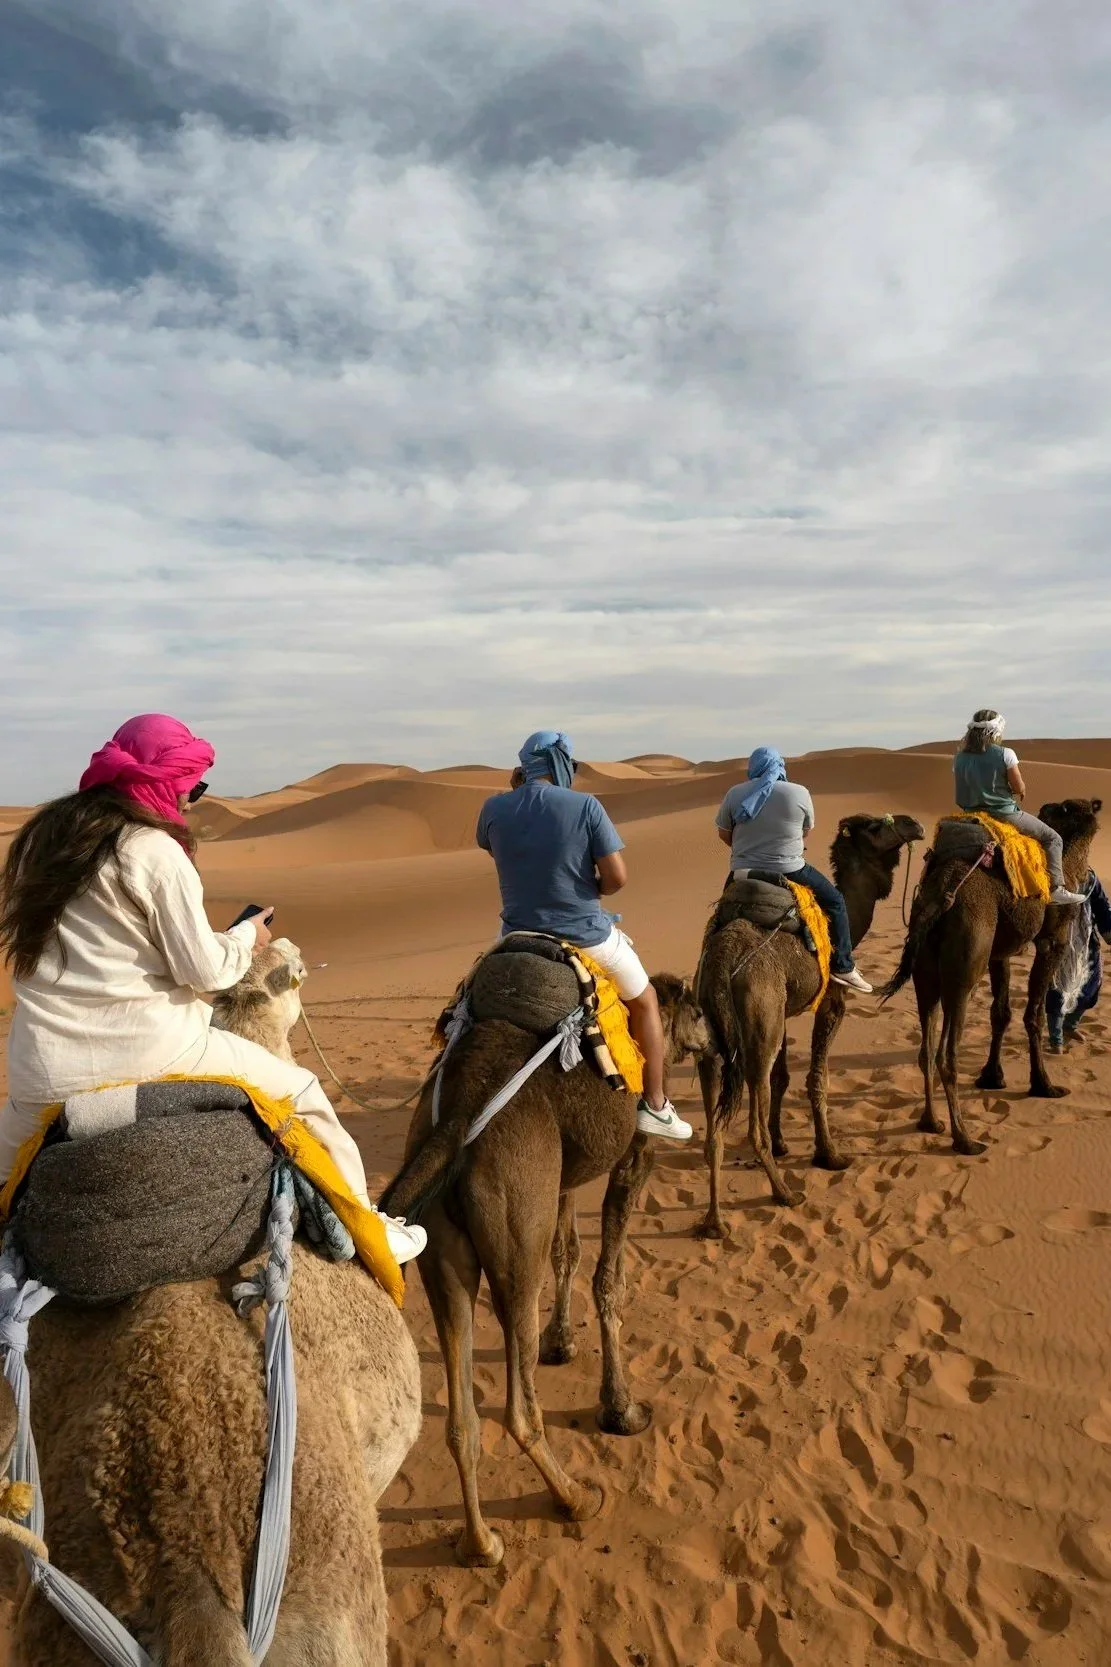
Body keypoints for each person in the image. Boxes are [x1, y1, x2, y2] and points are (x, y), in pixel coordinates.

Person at [0, 714, 425, 1264]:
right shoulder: (151, 850)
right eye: (192, 786)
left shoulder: (42, 843)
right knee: (304, 1095)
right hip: (153, 1051)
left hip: (44, 1070)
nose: (192, 800)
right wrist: (246, 935)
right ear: (167, 780)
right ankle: (370, 1231)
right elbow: (204, 972)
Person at [476, 730, 693, 1140]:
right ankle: (657, 1105)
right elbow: (618, 878)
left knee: (469, 1001)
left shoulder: (493, 808)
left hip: (515, 933)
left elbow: (499, 851)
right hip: (584, 934)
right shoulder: (585, 806)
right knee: (646, 1001)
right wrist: (592, 885)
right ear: (562, 765)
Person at [715, 746, 872, 994]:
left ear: (753, 768)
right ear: (780, 766)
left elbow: (724, 833)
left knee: (718, 918)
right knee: (836, 902)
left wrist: (749, 848)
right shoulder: (799, 792)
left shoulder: (735, 794)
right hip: (790, 869)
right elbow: (805, 831)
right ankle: (843, 965)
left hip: (742, 871)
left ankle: (707, 966)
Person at [952, 710, 1085, 906]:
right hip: (1003, 814)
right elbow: (1018, 786)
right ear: (996, 731)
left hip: (969, 815)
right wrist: (1019, 790)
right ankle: (1057, 889)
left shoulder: (959, 758)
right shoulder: (1006, 754)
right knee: (1053, 838)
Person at [1046, 868, 1111, 1050]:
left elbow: (1102, 905)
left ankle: (1070, 1026)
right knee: (1058, 991)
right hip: (1057, 942)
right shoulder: (1048, 874)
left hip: (1087, 941)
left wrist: (1108, 931)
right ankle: (1055, 1039)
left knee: (1092, 984)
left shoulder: (1089, 877)